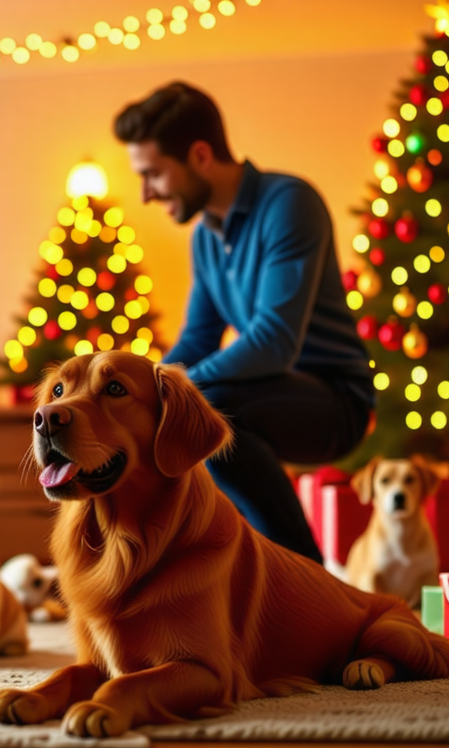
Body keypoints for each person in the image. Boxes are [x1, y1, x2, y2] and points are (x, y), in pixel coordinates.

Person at [113, 81, 374, 563]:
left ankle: (304, 577)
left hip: (337, 400)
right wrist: (140, 390)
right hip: (268, 395)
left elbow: (274, 341)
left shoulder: (290, 204)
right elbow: (197, 337)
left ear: (199, 155)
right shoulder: (205, 237)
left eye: (153, 174)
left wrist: (170, 390)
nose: (146, 193)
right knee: (189, 414)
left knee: (207, 409)